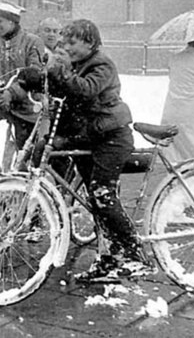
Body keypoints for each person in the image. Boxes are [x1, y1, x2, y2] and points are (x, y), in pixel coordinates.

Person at [19, 19, 151, 281]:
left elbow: (85, 91)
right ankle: (110, 257)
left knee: (102, 194)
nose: (64, 46)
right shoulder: (77, 65)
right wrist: (35, 77)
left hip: (111, 136)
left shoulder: (102, 64)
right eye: (63, 41)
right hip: (87, 136)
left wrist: (63, 70)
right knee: (93, 199)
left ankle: (137, 256)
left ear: (90, 43)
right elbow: (60, 89)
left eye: (72, 42)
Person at [0, 0, 45, 152]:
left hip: (27, 102)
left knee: (26, 145)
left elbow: (34, 75)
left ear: (12, 21)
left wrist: (11, 93)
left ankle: (23, 171)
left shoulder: (33, 42)